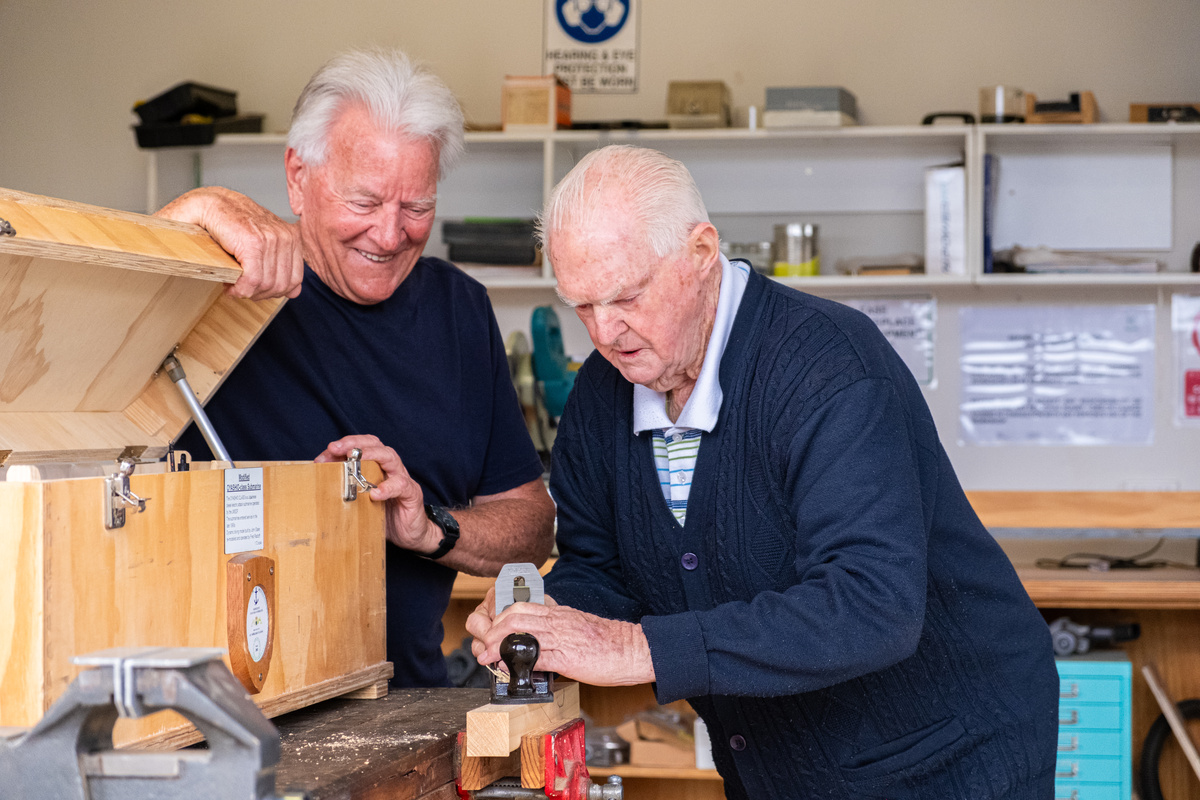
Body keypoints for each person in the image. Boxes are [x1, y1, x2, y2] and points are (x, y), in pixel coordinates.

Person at [468, 145, 1058, 799]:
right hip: (783, 766)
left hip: (945, 754)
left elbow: (872, 603)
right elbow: (603, 571)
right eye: (582, 306)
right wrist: (544, 617)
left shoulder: (827, 366)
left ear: (701, 252)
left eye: (626, 296)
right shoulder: (601, 398)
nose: (605, 332)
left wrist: (639, 650)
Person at [160, 48, 555, 688]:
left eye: (416, 207)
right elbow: (72, 329)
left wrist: (431, 526)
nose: (391, 234)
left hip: (403, 706)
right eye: (364, 201)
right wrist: (190, 214)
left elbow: (532, 526)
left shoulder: (460, 310)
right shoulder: (216, 289)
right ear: (298, 177)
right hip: (225, 709)